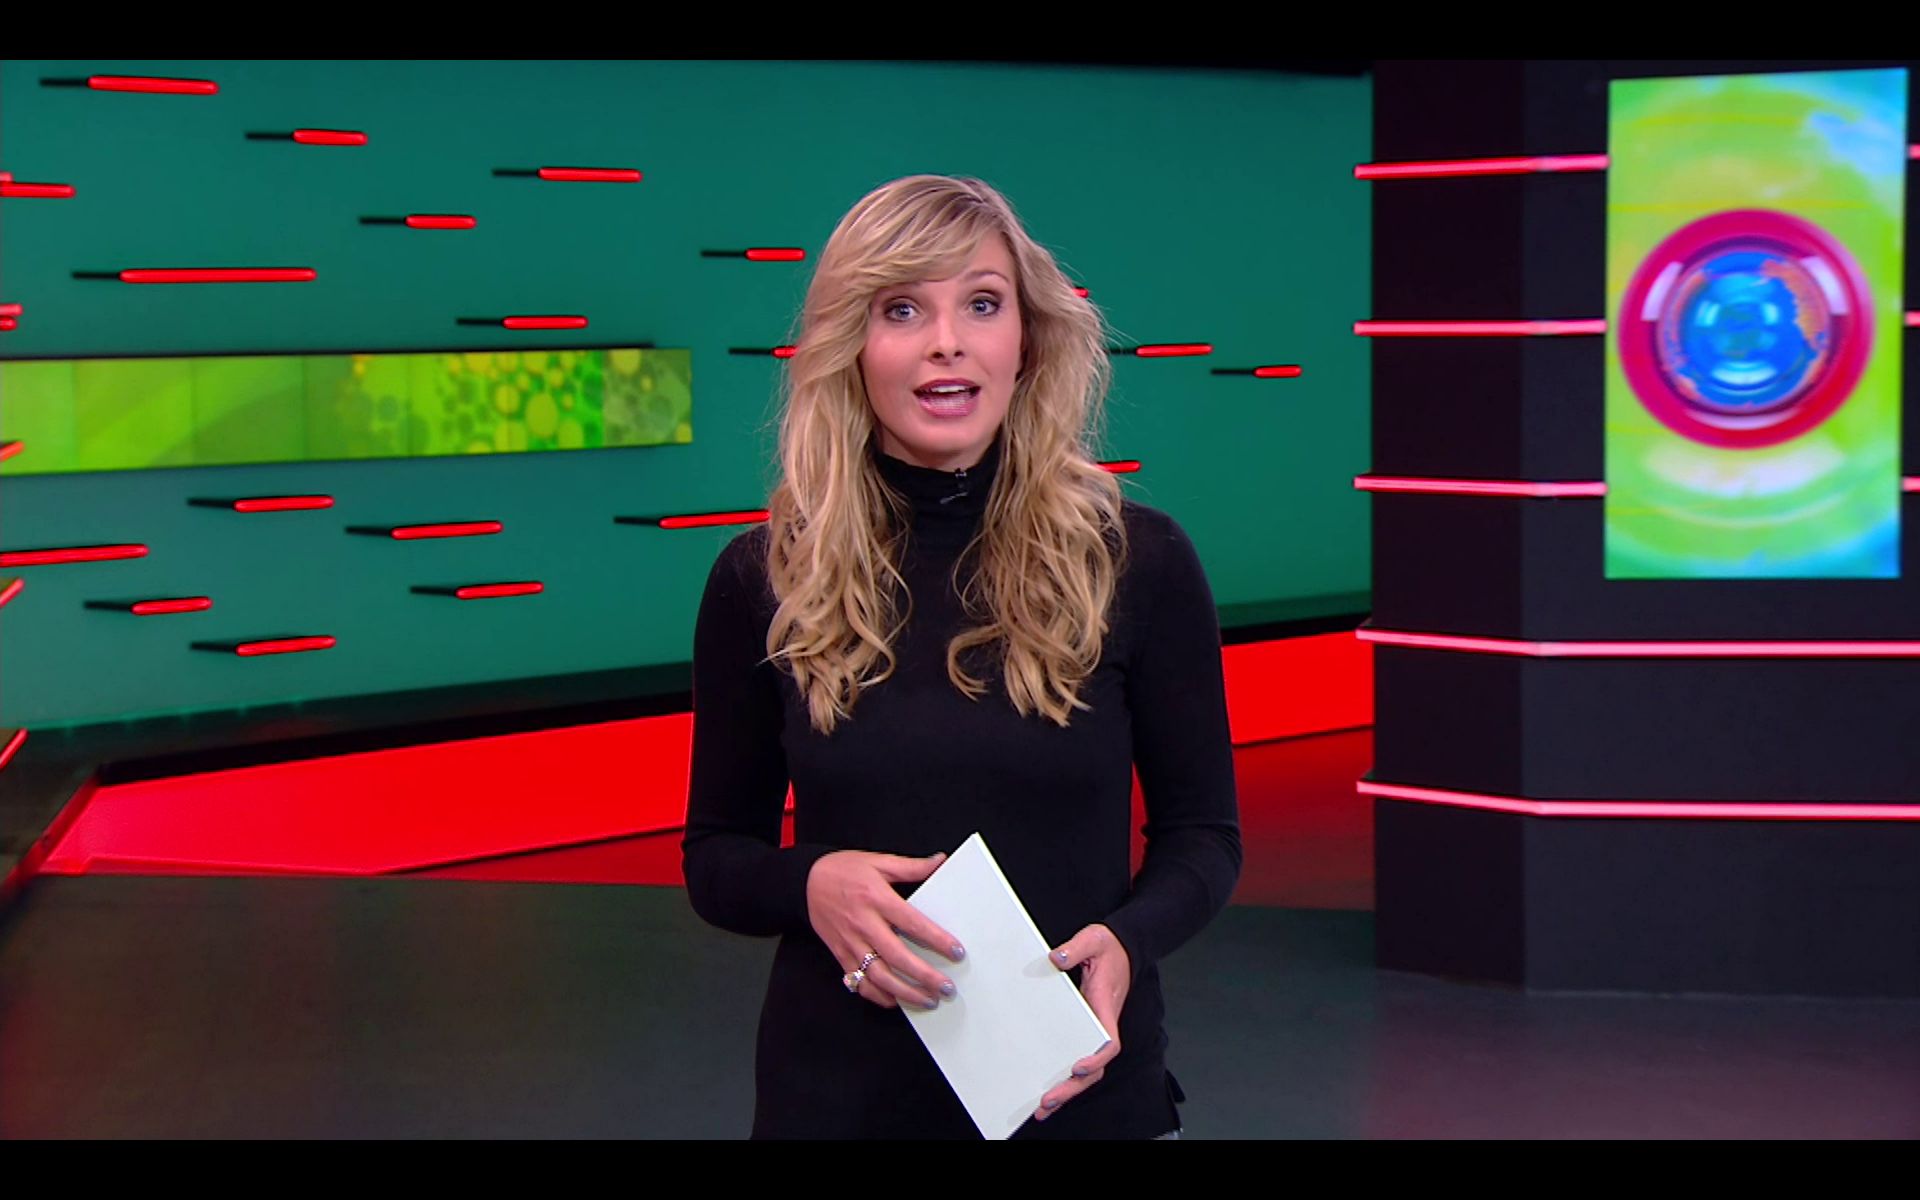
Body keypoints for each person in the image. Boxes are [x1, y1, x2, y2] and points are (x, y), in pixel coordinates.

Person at [682, 174, 1241, 1139]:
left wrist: (1127, 942)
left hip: (1081, 1101)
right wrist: (809, 885)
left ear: (1027, 340)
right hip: (840, 1105)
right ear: (852, 349)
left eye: (982, 304)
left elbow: (1205, 837)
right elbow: (716, 857)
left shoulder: (1136, 561)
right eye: (903, 310)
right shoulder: (764, 577)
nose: (948, 341)